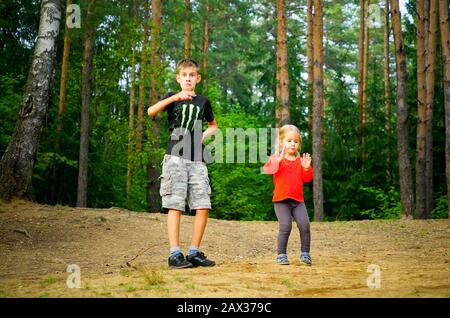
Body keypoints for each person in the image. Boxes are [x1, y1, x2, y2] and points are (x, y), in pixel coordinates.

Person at [147, 58, 218, 269]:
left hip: (197, 159)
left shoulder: (203, 102)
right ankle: (175, 254)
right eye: (184, 75)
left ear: (197, 78)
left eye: (192, 75)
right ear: (179, 78)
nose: (188, 78)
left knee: (203, 204)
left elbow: (214, 125)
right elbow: (151, 111)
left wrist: (203, 135)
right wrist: (175, 97)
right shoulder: (172, 97)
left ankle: (194, 252)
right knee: (175, 204)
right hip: (175, 158)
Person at [263, 124, 313, 266]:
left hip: (298, 201)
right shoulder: (276, 158)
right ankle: (281, 255)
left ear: (299, 144)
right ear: (281, 142)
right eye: (289, 140)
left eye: (296, 141)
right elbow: (268, 170)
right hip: (281, 201)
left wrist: (306, 168)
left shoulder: (300, 161)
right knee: (285, 226)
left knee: (304, 225)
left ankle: (305, 253)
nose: (292, 144)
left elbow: (307, 179)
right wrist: (276, 162)